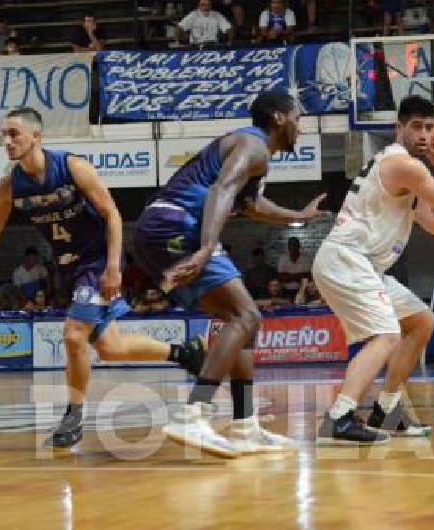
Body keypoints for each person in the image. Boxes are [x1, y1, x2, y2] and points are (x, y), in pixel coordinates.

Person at [0, 107, 206, 449]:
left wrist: (113, 266)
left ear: (36, 136)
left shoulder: (73, 167)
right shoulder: (8, 188)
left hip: (96, 261)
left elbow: (112, 215)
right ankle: (185, 353)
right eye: (3, 135)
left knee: (74, 335)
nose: (7, 141)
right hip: (69, 267)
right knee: (110, 348)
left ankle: (73, 415)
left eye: (14, 134)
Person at [133, 91, 327, 457]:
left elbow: (251, 206)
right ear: (279, 118)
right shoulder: (253, 147)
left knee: (244, 320)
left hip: (160, 228)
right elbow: (220, 191)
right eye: (298, 118)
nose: (301, 126)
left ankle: (244, 424)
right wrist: (207, 247)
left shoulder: (254, 154)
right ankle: (193, 413)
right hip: (176, 226)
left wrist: (299, 216)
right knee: (246, 315)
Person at [312, 95, 434, 445]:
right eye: (416, 127)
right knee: (386, 336)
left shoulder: (411, 173)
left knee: (420, 321)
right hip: (346, 258)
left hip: (363, 264)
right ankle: (338, 417)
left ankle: (387, 410)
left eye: (430, 128)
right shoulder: (403, 166)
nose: (425, 135)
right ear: (398, 128)